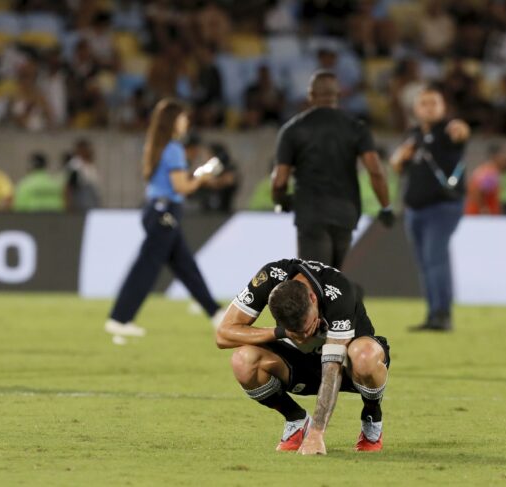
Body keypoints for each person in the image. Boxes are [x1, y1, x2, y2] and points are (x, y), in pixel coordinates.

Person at [214, 258, 390, 454]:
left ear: (313, 299)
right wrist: (280, 333)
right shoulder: (271, 277)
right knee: (243, 361)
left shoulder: (338, 290)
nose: (304, 336)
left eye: (309, 326)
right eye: (296, 331)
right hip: (298, 364)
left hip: (347, 367)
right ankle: (296, 419)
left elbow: (332, 367)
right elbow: (223, 334)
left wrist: (317, 434)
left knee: (364, 355)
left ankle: (372, 416)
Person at [104, 98, 223, 342]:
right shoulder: (174, 149)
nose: (186, 121)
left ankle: (216, 313)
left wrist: (196, 177)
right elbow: (181, 187)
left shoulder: (159, 146)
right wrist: (202, 176)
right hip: (165, 212)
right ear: (172, 121)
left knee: (185, 266)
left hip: (158, 211)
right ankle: (119, 318)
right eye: (182, 117)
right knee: (147, 267)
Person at [272, 70, 394, 269]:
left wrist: (281, 200)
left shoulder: (292, 130)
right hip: (346, 211)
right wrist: (386, 207)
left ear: (310, 95)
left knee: (314, 279)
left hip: (310, 212)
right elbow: (375, 171)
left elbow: (279, 180)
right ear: (338, 95)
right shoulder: (356, 128)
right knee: (336, 281)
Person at [389, 86, 470, 332]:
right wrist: (398, 159)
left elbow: (461, 133)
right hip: (415, 209)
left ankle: (442, 315)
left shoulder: (447, 130)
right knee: (426, 263)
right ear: (415, 108)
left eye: (434, 103)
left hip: (442, 207)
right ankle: (433, 313)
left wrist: (461, 129)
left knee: (436, 259)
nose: (429, 107)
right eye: (424, 103)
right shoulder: (413, 135)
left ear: (443, 108)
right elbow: (397, 166)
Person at [464, 144, 506, 215]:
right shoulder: (491, 173)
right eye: (503, 154)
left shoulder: (487, 169)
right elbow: (477, 190)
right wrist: (483, 208)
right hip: (481, 216)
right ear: (495, 156)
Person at [65, 139, 101, 211]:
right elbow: (69, 186)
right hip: (81, 201)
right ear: (81, 150)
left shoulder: (90, 165)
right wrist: (68, 204)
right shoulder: (76, 165)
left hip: (91, 200)